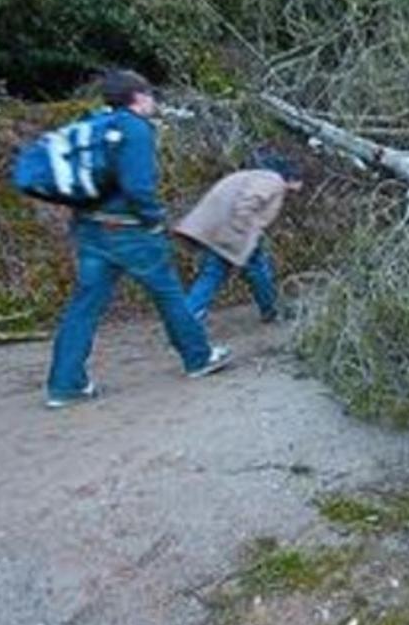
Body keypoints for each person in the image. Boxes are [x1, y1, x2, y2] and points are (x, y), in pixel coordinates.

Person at [45, 70, 231, 408]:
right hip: (130, 231)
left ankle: (65, 384)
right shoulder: (135, 129)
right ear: (138, 97)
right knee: (169, 295)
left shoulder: (94, 123)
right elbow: (138, 187)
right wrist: (154, 220)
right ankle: (198, 357)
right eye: (150, 95)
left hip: (91, 230)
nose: (154, 101)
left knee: (84, 307)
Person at [176, 151, 303, 324]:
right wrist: (242, 231)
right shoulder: (272, 181)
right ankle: (188, 317)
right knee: (217, 273)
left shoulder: (253, 176)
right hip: (231, 232)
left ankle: (271, 309)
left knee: (255, 268)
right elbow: (246, 205)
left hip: (217, 228)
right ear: (293, 178)